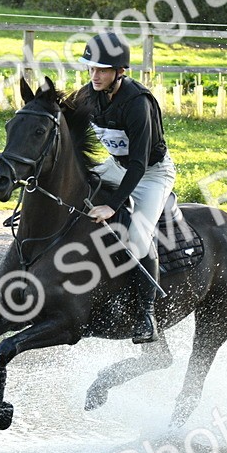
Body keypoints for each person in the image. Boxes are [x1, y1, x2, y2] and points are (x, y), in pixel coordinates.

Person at [79, 31, 176, 344]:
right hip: (115, 165)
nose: (96, 75)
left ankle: (147, 316)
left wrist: (113, 205)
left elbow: (138, 164)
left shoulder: (138, 103)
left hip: (150, 173)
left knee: (136, 238)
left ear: (119, 72)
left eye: (103, 70)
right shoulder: (88, 94)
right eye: (92, 68)